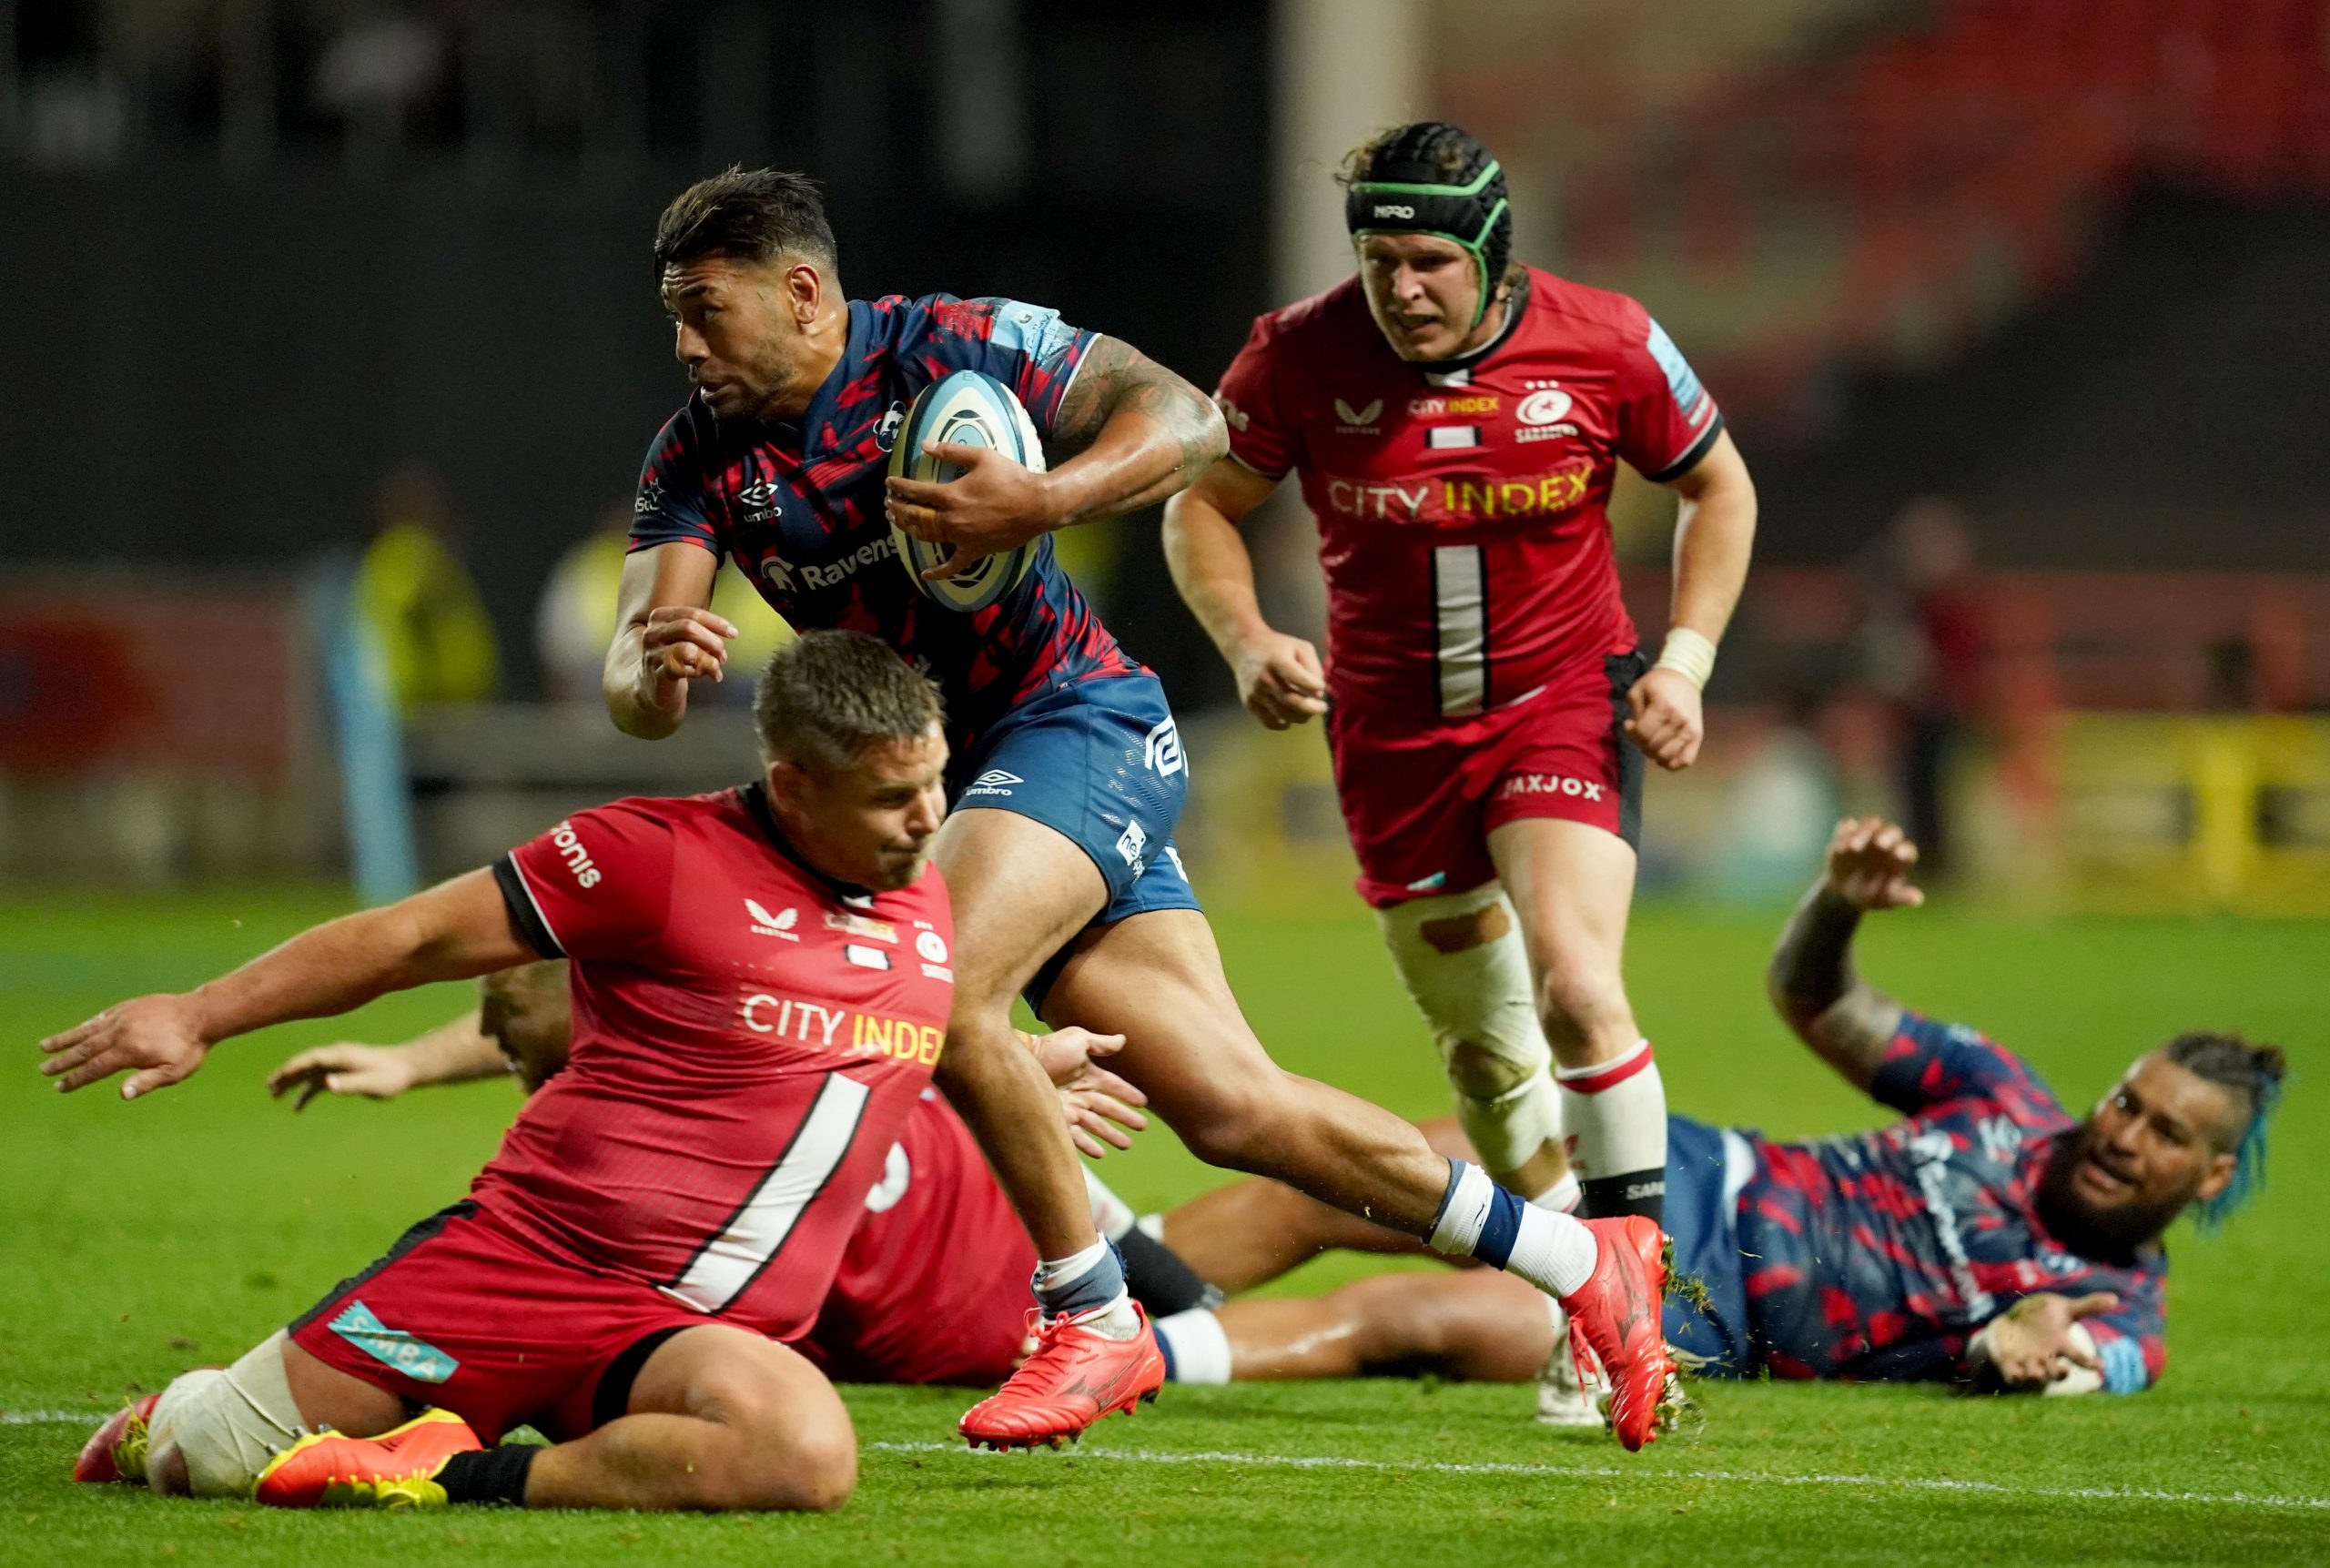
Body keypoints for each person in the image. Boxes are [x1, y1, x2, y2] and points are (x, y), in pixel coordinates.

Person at [603, 166, 1677, 1448]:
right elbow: (636, 678)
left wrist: (1043, 496)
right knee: (1236, 1109)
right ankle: (1582, 1257)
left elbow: (1187, 416)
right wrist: (651, 670)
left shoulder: (947, 343)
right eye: (672, 312)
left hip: (1076, 723)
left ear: (800, 291)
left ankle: (1094, 1310)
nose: (683, 342)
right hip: (956, 782)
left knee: (928, 983)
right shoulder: (697, 451)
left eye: (705, 310)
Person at [42, 631, 1048, 1513]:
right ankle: (179, 1407)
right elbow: (414, 939)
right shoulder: (653, 856)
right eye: (890, 797)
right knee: (209, 1457)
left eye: (934, 782)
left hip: (690, 1332)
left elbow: (862, 1052)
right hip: (525, 1268)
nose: (927, 818)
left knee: (801, 1448)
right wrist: (200, 1013)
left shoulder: (920, 899)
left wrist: (1031, 1064)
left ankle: (435, 1469)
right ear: (792, 784)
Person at [1162, 122, 1759, 1236]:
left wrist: (1684, 662)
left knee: (1578, 989)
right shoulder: (1294, 355)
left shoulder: (1609, 341)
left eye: (1429, 261)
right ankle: (1565, 1283)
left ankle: (1641, 1305)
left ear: (1490, 251)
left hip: (1561, 703)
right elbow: (1200, 503)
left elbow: (1718, 487)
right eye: (1378, 262)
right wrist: (1245, 638)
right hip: (1390, 738)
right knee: (1486, 1059)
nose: (1400, 288)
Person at [1144, 816, 2284, 1400]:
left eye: (2166, 1134)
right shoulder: (2001, 1096)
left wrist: (2021, 1346)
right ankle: (1073, 1310)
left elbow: (2074, 1366)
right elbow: (1811, 995)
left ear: (2211, 1176)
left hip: (1704, 1319)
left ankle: (1143, 1361)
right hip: (1682, 1172)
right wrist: (1836, 903)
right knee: (1348, 1180)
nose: (2125, 1135)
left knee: (1416, 1317)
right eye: (2129, 1103)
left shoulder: (2123, 1318)